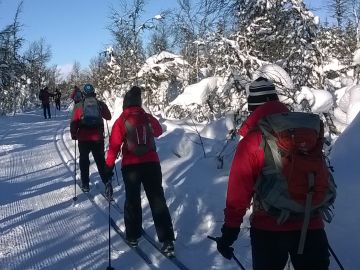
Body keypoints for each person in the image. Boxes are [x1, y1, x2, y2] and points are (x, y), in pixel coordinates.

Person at [215, 77, 331, 270]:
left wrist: (229, 234)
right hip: (311, 224)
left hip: (269, 229)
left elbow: (238, 193)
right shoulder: (305, 133)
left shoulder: (253, 140)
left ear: (253, 107)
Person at [104, 86, 175, 256]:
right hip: (152, 164)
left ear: (125, 104)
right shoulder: (146, 116)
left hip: (131, 166)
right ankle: (167, 240)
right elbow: (158, 131)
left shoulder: (122, 119)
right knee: (157, 199)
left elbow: (114, 147)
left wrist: (108, 167)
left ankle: (133, 236)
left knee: (133, 200)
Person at [70, 83, 111, 192]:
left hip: (83, 138)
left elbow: (74, 121)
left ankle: (85, 184)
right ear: (94, 92)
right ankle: (107, 181)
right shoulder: (100, 104)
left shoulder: (79, 105)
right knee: (100, 160)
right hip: (98, 138)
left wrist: (74, 134)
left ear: (83, 93)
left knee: (84, 160)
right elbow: (108, 116)